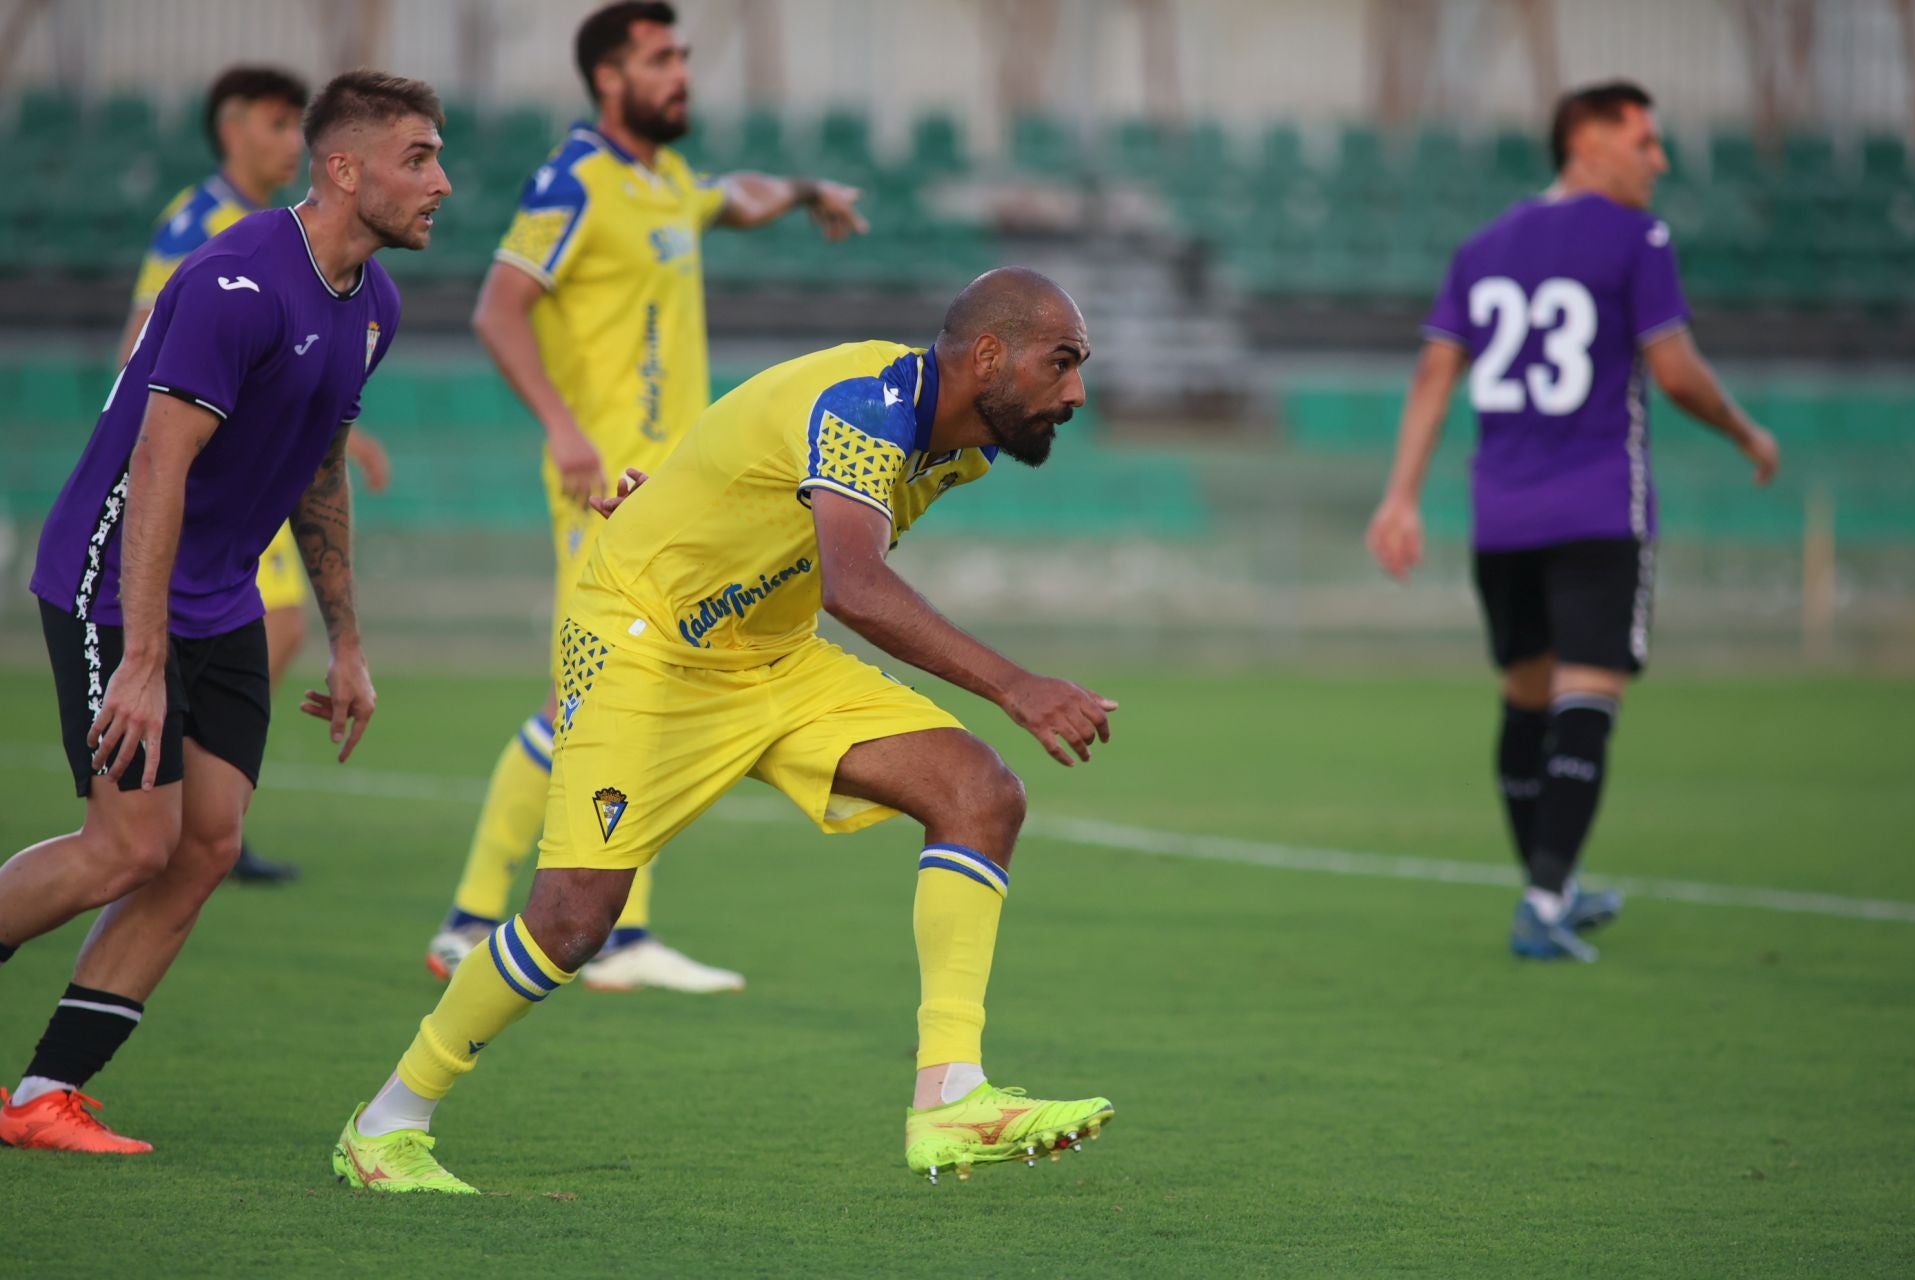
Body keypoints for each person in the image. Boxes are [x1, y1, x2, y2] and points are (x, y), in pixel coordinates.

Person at [331, 267, 1116, 1193]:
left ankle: (952, 1097)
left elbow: (756, 450)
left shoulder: (961, 447)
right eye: (1061, 363)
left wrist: (671, 492)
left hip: (768, 653)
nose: (1075, 391)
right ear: (989, 354)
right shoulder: (869, 405)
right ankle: (386, 1122)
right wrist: (1017, 686)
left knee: (980, 795)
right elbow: (855, 585)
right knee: (575, 917)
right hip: (642, 637)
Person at [0, 71, 448, 1154]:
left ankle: (41, 1095)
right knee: (128, 844)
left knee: (206, 844)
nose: (441, 184)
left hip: (221, 598)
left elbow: (320, 468)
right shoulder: (235, 279)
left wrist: (348, 643)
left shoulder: (374, 306)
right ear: (343, 169)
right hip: (116, 583)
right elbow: (158, 463)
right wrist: (142, 656)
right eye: (419, 159)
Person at [425, 0, 870, 994]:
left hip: (675, 486)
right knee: (585, 695)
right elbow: (498, 306)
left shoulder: (666, 178)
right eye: (661, 58)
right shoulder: (575, 177)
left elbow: (736, 195)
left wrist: (802, 191)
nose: (682, 73)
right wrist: (565, 426)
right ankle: (470, 920)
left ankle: (619, 936)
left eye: (683, 57)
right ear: (608, 78)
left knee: (653, 683)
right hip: (602, 483)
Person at [1365, 81, 1780, 963]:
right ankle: (1548, 902)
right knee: (1586, 700)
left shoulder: (1482, 248)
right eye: (1646, 142)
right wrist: (1746, 428)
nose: (1659, 162)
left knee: (1525, 701)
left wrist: (1401, 495)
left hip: (1501, 518)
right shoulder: (1639, 238)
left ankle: (1546, 888)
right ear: (1587, 140)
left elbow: (1436, 376)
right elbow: (1673, 373)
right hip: (1598, 508)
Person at [119, 64, 396, 885]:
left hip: (259, 475)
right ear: (232, 126)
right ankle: (179, 801)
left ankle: (210, 819)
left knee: (280, 627)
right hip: (204, 473)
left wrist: (347, 434)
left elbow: (297, 369)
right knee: (270, 625)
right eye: (276, 124)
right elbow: (147, 338)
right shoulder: (203, 225)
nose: (289, 142)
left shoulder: (294, 235)